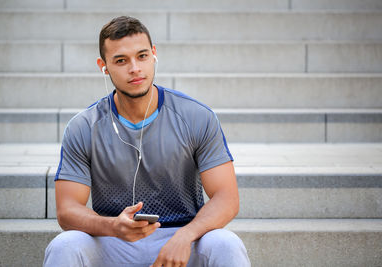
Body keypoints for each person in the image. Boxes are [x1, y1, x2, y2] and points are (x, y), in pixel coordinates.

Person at [44, 16, 250, 267]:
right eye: (121, 60)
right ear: (104, 66)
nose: (134, 68)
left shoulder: (196, 116)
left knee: (226, 243)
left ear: (153, 54)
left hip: (182, 238)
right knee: (64, 245)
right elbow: (67, 210)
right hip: (114, 239)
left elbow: (227, 197)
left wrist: (185, 236)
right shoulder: (84, 127)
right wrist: (113, 226)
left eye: (142, 56)